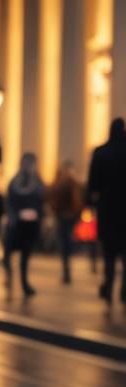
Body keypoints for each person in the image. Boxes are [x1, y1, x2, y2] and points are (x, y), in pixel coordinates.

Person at [87, 117, 126, 305]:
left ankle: (109, 288)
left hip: (107, 210)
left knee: (109, 255)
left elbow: (92, 183)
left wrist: (90, 205)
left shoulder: (101, 153)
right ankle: (124, 291)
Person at [3, 152, 46, 297]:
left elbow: (42, 200)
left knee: (25, 255)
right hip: (17, 224)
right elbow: (9, 202)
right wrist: (13, 217)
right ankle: (9, 276)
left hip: (30, 225)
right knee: (9, 253)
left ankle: (24, 282)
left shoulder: (37, 182)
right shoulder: (15, 182)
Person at [48, 160, 85, 284]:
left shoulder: (64, 184)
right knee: (66, 244)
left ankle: (66, 270)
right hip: (67, 217)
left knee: (65, 244)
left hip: (65, 217)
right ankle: (66, 270)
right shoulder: (71, 184)